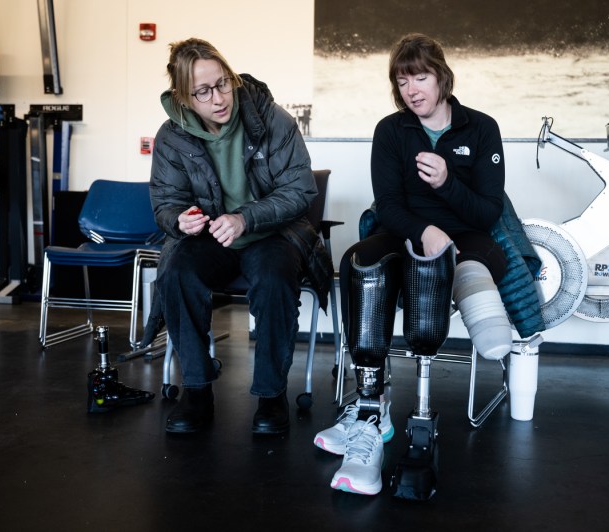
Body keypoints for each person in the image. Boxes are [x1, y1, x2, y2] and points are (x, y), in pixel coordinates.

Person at [313, 33, 513, 497]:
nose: (412, 90)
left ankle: (474, 295)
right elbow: (388, 205)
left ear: (441, 76)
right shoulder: (391, 130)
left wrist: (446, 184)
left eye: (420, 77)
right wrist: (423, 232)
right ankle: (370, 404)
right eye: (402, 81)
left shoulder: (481, 128)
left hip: (468, 239)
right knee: (360, 260)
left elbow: (488, 213)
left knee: (454, 263)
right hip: (406, 234)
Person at [149, 37, 332, 435]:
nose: (218, 97)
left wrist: (245, 218)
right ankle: (196, 391)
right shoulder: (171, 138)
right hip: (212, 239)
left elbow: (300, 190)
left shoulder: (271, 118)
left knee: (272, 279)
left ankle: (271, 396)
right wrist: (180, 220)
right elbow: (165, 201)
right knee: (177, 273)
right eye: (203, 91)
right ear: (183, 97)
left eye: (223, 83)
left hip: (270, 234)